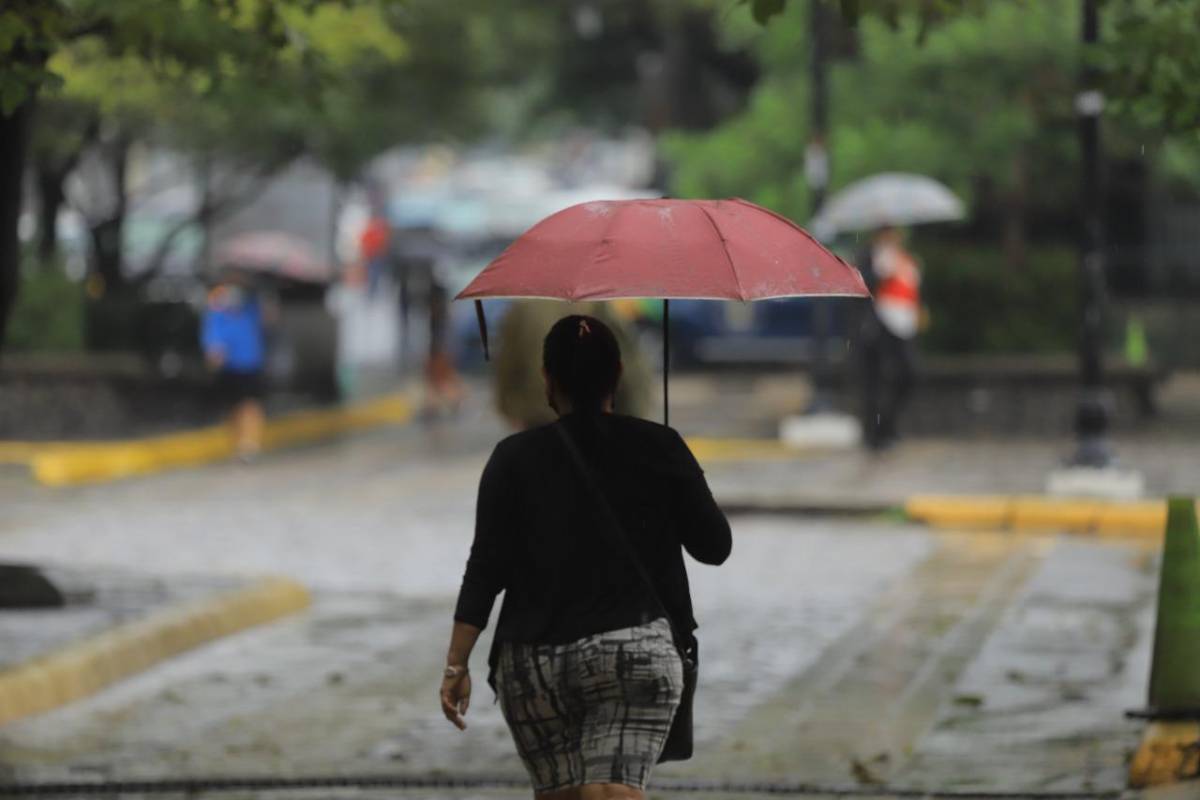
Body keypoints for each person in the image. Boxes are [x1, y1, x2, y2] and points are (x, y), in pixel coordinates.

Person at [441, 315, 731, 799]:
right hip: (633, 655)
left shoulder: (512, 458)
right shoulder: (659, 445)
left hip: (534, 666)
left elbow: (484, 570)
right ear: (617, 374)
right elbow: (715, 548)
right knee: (612, 789)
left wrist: (456, 666)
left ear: (548, 381)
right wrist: (672, 474)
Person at [858, 226, 921, 451]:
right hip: (876, 328)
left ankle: (888, 425)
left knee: (908, 374)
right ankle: (874, 435)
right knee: (874, 382)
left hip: (903, 326)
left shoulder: (904, 258)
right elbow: (861, 287)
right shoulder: (868, 255)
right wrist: (880, 271)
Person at [201, 276, 268, 461]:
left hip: (251, 365)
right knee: (233, 408)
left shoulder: (251, 305)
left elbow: (268, 318)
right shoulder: (217, 310)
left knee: (250, 405)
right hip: (230, 368)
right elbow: (213, 346)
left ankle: (250, 445)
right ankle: (238, 444)